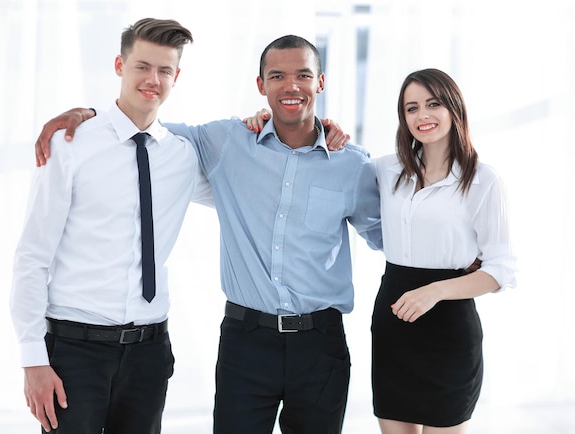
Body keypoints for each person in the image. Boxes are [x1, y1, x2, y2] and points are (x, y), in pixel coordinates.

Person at [32, 35, 382, 434]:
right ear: (260, 84)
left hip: (320, 345)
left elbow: (389, 239)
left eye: (303, 75)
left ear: (320, 82)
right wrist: (87, 113)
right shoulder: (227, 143)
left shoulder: (351, 166)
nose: (291, 86)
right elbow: (145, 128)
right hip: (246, 341)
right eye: (277, 76)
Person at [10, 18, 213, 434]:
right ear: (120, 65)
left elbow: (253, 177)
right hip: (74, 351)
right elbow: (32, 255)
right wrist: (33, 360)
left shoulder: (184, 157)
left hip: (150, 353)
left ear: (177, 77)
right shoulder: (71, 144)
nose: (152, 79)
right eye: (142, 66)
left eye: (164, 70)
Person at [371, 68, 516, 434]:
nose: (422, 116)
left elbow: (500, 270)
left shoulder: (484, 180)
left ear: (454, 109)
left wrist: (435, 291)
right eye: (411, 108)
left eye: (433, 104)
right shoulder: (385, 170)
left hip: (448, 333)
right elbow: (328, 162)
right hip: (393, 324)